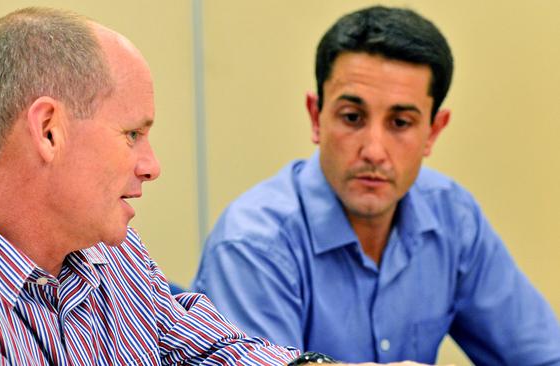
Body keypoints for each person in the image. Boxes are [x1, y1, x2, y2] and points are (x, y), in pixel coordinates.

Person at [0, 7, 313, 365]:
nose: (152, 167)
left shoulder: (109, 249)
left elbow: (213, 351)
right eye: (133, 134)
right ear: (48, 131)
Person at [192, 5, 560, 365]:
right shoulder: (252, 244)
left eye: (400, 123)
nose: (373, 151)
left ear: (433, 131)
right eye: (352, 117)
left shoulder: (453, 216)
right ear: (316, 117)